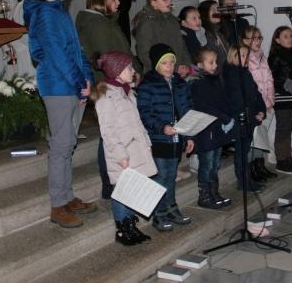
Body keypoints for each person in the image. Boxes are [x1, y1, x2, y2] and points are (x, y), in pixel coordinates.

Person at [24, 0, 97, 229]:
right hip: (57, 86)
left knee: (67, 145)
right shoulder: (45, 14)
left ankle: (67, 197)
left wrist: (87, 77)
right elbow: (56, 55)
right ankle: (57, 205)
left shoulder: (61, 12)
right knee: (60, 146)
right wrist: (80, 83)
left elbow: (77, 50)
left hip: (71, 84)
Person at [76, 0, 139, 199]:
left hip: (116, 81)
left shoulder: (103, 22)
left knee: (114, 132)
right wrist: (129, 75)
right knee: (110, 134)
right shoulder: (97, 24)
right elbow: (108, 57)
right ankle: (110, 183)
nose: (119, 3)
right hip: (108, 84)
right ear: (103, 0)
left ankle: (115, 181)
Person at [92, 52, 156, 246]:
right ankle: (122, 230)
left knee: (132, 191)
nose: (133, 71)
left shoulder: (127, 91)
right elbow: (108, 131)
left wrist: (147, 143)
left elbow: (137, 122)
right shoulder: (106, 96)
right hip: (122, 153)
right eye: (129, 68)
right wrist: (121, 155)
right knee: (122, 192)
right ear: (117, 71)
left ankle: (130, 226)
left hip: (136, 149)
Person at [136, 44, 194, 231]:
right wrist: (162, 127)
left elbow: (187, 109)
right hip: (159, 138)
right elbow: (144, 112)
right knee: (161, 176)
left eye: (172, 62)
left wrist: (189, 135)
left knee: (171, 175)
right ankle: (158, 213)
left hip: (177, 138)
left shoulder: (179, 83)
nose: (169, 66)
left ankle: (171, 207)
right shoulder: (149, 84)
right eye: (164, 63)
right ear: (156, 65)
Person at [189, 47, 235, 209]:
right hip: (205, 130)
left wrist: (229, 116)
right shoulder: (197, 83)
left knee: (215, 163)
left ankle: (215, 192)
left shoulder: (215, 79)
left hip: (217, 129)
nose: (215, 65)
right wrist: (225, 117)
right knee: (207, 164)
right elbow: (204, 106)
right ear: (200, 64)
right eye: (211, 62)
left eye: (216, 62)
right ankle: (205, 196)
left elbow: (223, 100)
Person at [224, 44, 267, 192]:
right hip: (240, 118)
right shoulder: (231, 74)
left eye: (247, 56)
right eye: (242, 55)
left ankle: (248, 180)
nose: (246, 58)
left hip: (250, 117)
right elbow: (237, 100)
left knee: (245, 151)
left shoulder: (245, 72)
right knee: (241, 152)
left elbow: (256, 93)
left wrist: (262, 110)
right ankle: (243, 182)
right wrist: (252, 116)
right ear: (232, 57)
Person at [241, 26, 278, 181]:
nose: (257, 41)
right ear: (244, 41)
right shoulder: (245, 58)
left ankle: (260, 165)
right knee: (256, 137)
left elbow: (269, 79)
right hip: (255, 104)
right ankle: (252, 168)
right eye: (253, 38)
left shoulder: (262, 55)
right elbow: (249, 85)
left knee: (264, 135)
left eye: (259, 38)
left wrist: (270, 100)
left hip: (266, 103)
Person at [268, 26, 292, 173]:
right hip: (281, 96)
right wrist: (284, 85)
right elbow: (270, 78)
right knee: (282, 128)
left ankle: (288, 157)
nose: (289, 38)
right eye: (285, 36)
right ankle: (281, 161)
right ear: (277, 40)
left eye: (290, 35)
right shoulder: (275, 55)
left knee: (289, 127)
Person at [132, 0, 191, 77]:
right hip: (158, 75)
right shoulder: (147, 24)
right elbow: (144, 54)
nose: (169, 2)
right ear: (153, 2)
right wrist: (173, 68)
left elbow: (182, 45)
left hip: (178, 73)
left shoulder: (172, 20)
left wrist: (186, 65)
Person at [9, 0, 36, 80]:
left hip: (26, 48)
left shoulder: (29, 4)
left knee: (29, 78)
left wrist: (15, 41)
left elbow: (27, 28)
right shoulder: (20, 4)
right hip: (19, 47)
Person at [198, 0, 229, 69]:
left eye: (218, 9)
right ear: (205, 13)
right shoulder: (204, 34)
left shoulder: (219, 31)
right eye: (213, 9)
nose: (217, 12)